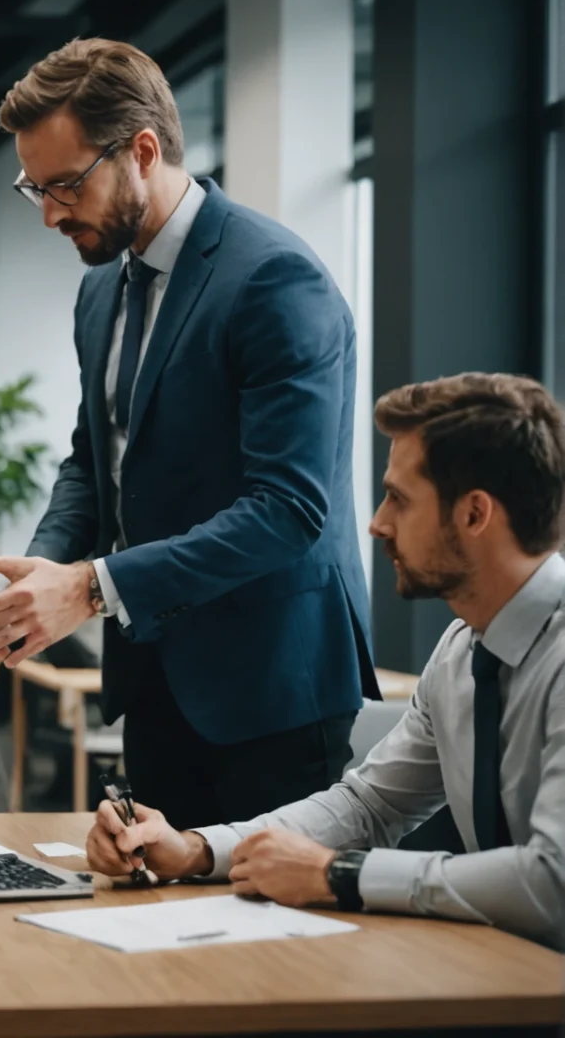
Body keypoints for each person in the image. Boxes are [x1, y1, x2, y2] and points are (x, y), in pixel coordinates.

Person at [0, 39, 376, 827]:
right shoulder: (100, 292)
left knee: (267, 912)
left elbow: (288, 510)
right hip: (154, 678)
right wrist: (44, 569)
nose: (49, 213)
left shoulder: (272, 279)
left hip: (271, 689)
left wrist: (89, 587)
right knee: (156, 901)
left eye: (65, 184)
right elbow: (93, 462)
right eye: (33, 188)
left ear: (142, 152)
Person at [88, 374, 565, 949]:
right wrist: (195, 849)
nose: (378, 523)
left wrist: (340, 875)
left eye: (399, 498)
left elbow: (553, 883)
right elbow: (369, 805)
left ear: (474, 513)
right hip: (507, 972)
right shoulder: (462, 649)